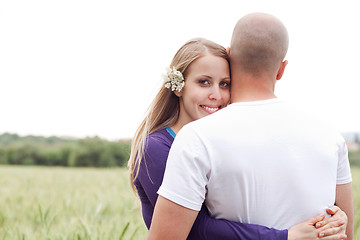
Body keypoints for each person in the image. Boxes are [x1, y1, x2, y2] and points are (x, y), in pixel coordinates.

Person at [147, 13, 354, 240]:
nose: (215, 94)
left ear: (229, 57)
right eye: (204, 82)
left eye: (222, 84)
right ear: (281, 69)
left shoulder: (196, 139)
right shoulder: (331, 136)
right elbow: (345, 233)